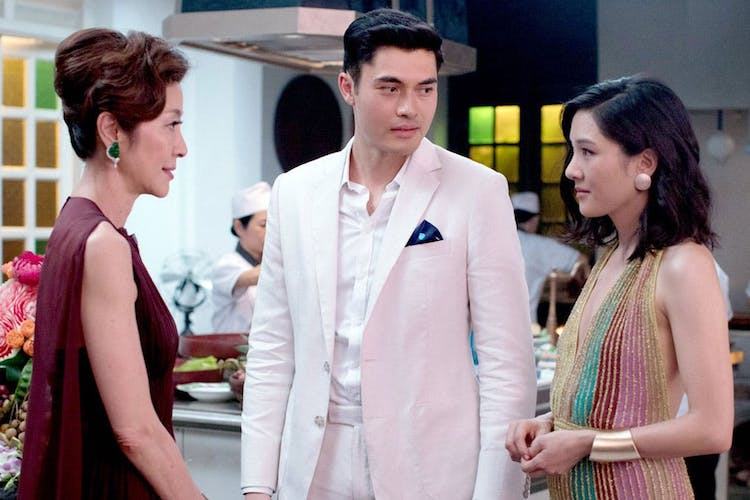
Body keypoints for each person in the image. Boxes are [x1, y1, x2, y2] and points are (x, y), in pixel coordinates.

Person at [241, 8, 536, 500]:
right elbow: (273, 347)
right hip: (313, 467)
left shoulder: (477, 190)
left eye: (425, 89)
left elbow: (507, 363)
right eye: (390, 88)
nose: (410, 108)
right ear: (348, 87)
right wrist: (257, 485)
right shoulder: (294, 191)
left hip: (430, 471)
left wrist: (495, 493)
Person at [506, 76, 734, 499]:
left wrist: (587, 444)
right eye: (573, 151)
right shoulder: (611, 255)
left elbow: (713, 428)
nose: (571, 169)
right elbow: (615, 402)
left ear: (644, 163)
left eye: (588, 151)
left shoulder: (683, 264)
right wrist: (550, 423)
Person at [20, 28, 203, 499]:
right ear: (112, 131)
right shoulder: (102, 243)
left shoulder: (75, 225)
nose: (181, 146)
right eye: (171, 125)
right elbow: (135, 431)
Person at [511, 191, 588, 324]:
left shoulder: (492, 242)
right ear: (535, 219)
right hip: (523, 327)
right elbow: (581, 261)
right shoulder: (540, 246)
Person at [211, 182, 270, 332]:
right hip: (231, 346)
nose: (271, 232)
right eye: (263, 225)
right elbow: (255, 276)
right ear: (239, 227)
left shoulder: (269, 263)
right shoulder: (226, 265)